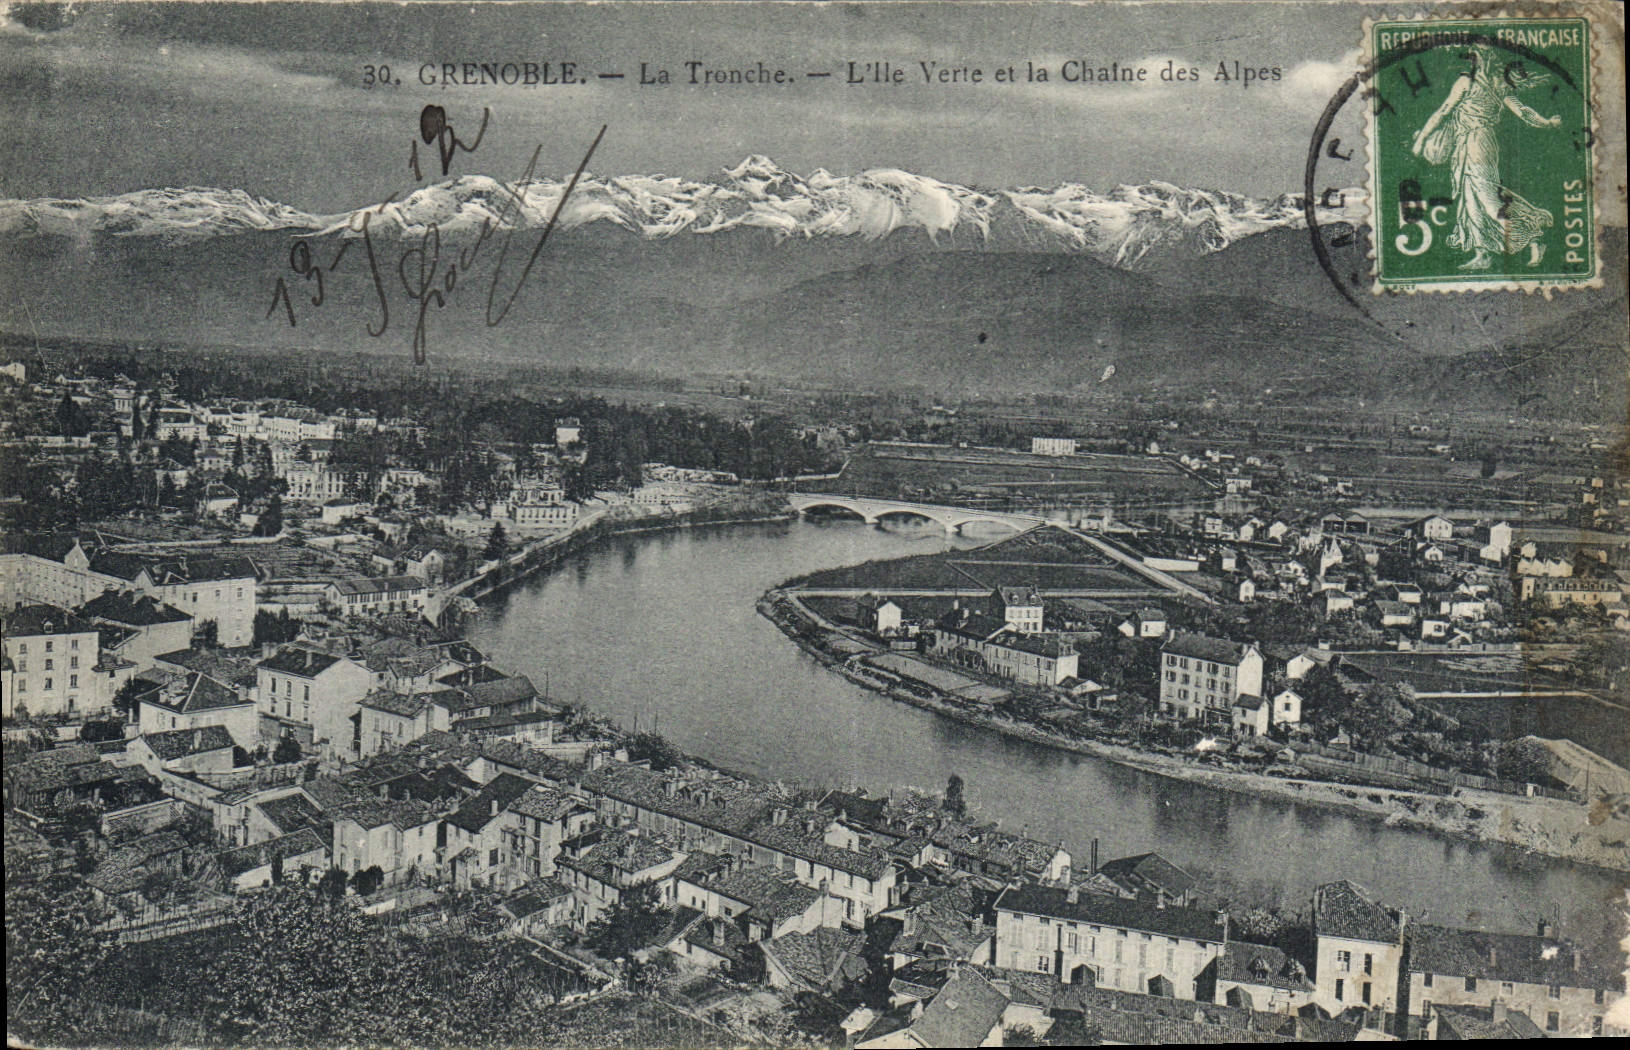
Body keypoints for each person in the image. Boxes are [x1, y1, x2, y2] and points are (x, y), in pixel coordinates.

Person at [1410, 43, 1562, 270]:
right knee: (1468, 199)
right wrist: (1546, 122)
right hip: (1467, 143)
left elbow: (1521, 111)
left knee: (1488, 200)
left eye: (1473, 57)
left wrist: (1421, 140)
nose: (1471, 62)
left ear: (1481, 59)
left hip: (1478, 144)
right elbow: (1523, 112)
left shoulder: (1481, 84)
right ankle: (1482, 254)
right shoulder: (1487, 84)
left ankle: (1533, 238)